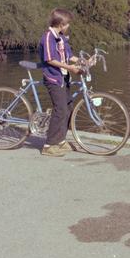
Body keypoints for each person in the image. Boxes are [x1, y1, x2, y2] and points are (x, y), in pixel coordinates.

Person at [38, 8, 84, 157]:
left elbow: (70, 56)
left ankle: (60, 140)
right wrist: (70, 68)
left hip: (63, 78)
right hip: (53, 78)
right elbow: (50, 59)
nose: (68, 26)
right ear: (60, 24)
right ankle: (49, 145)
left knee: (68, 108)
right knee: (60, 110)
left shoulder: (61, 37)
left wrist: (84, 62)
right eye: (67, 23)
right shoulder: (48, 37)